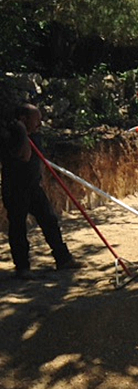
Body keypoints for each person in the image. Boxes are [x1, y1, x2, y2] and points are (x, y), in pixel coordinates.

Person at [0, 103, 82, 279]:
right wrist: (22, 132)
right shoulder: (9, 136)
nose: (40, 123)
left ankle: (63, 258)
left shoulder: (35, 136)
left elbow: (37, 161)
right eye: (36, 119)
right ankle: (22, 268)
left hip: (33, 187)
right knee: (18, 228)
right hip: (15, 189)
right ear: (23, 119)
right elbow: (25, 155)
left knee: (50, 221)